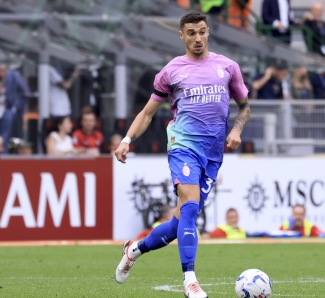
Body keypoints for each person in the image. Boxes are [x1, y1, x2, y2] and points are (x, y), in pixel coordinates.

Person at [113, 11, 250, 298]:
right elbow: (148, 113)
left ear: (208, 32)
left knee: (181, 222)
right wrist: (127, 139)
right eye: (191, 33)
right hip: (182, 146)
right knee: (189, 206)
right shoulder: (172, 71)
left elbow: (244, 106)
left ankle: (134, 249)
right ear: (181, 35)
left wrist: (236, 130)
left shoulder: (228, 67)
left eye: (201, 31)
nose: (197, 38)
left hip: (212, 156)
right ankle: (190, 280)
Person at [0, 64, 30, 152]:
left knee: (4, 138)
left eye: (3, 71)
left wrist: (16, 107)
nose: (0, 74)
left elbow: (25, 92)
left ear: (6, 70)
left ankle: (2, 159)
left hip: (7, 109)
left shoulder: (14, 76)